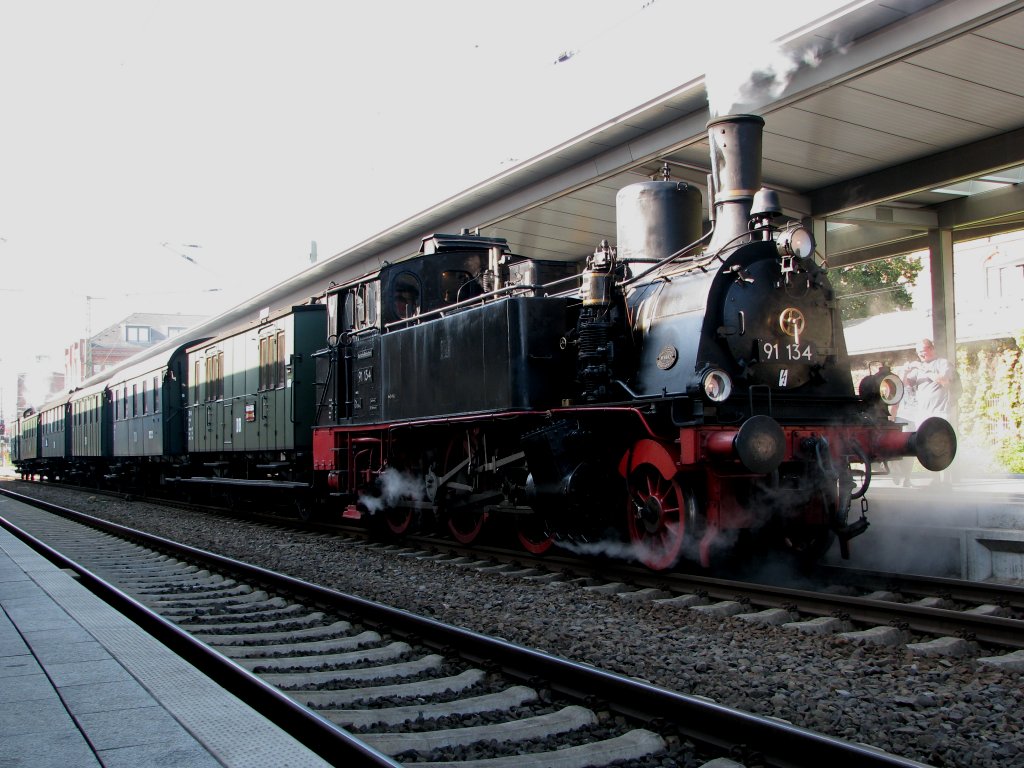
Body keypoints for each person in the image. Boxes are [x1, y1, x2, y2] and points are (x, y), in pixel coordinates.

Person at [899, 338, 957, 486]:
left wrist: (923, 368)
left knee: (942, 444)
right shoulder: (919, 369)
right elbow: (905, 385)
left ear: (932, 348)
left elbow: (944, 381)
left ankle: (946, 480)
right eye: (918, 352)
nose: (921, 355)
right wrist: (904, 372)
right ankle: (934, 479)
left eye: (923, 351)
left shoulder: (942, 363)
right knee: (926, 446)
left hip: (940, 412)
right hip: (923, 413)